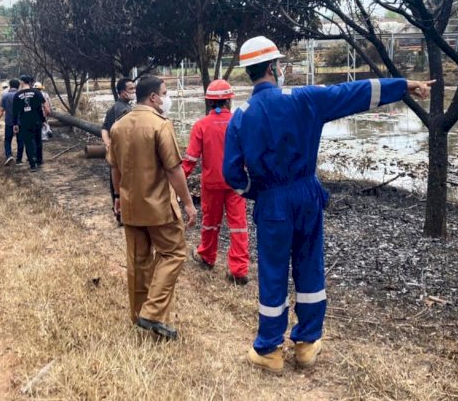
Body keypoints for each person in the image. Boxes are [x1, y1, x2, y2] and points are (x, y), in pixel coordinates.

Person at [223, 36, 434, 374]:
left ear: (248, 72)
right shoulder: (304, 99)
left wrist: (256, 191)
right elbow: (354, 93)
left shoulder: (241, 117)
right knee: (309, 266)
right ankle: (306, 345)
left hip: (272, 201)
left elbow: (231, 173)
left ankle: (269, 350)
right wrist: (404, 86)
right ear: (275, 67)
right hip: (306, 194)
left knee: (273, 272)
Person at [108, 75, 197, 340]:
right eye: (165, 93)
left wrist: (117, 196)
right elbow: (173, 169)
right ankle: (153, 312)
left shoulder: (118, 126)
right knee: (173, 254)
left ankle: (139, 316)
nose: (167, 98)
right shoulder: (161, 125)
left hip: (130, 205)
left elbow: (114, 167)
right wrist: (189, 204)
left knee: (138, 262)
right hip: (159, 206)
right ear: (154, 97)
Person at [182, 79, 249, 285]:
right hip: (236, 184)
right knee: (238, 225)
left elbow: (190, 159)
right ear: (229, 100)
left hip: (211, 184)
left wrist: (176, 181)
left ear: (210, 102)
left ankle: (207, 256)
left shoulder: (201, 125)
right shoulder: (241, 121)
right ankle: (239, 270)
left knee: (210, 223)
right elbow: (252, 153)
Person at [101, 77, 136, 225]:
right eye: (131, 89)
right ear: (123, 92)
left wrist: (108, 143)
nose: (134, 92)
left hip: (115, 155)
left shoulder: (114, 107)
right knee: (125, 184)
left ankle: (119, 213)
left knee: (115, 183)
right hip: (125, 155)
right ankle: (124, 214)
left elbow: (104, 128)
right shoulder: (125, 111)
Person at [13, 75, 47, 172]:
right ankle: (39, 160)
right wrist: (43, 120)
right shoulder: (36, 92)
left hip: (25, 122)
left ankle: (33, 163)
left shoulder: (17, 95)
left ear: (22, 82)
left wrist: (15, 124)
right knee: (38, 140)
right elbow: (41, 107)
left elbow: (15, 111)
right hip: (37, 120)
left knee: (29, 142)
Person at [0, 79, 23, 166]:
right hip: (21, 122)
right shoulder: (21, 96)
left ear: (10, 86)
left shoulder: (5, 96)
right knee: (20, 140)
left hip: (9, 122)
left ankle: (9, 155)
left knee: (7, 140)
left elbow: (1, 110)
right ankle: (19, 159)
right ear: (18, 86)